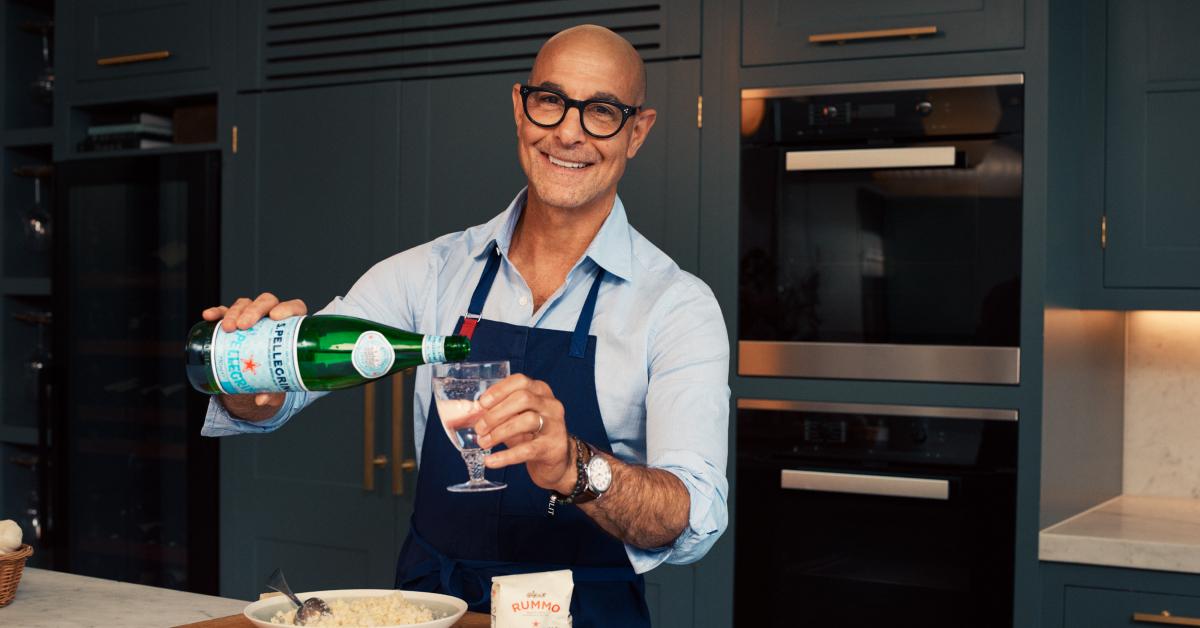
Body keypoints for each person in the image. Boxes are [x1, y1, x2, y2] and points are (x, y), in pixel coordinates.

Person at [200, 24, 729, 627]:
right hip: (434, 608)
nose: (569, 132)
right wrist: (251, 381)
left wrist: (576, 467)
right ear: (520, 109)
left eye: (602, 111)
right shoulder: (428, 272)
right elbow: (281, 392)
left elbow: (694, 515)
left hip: (589, 616)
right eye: (551, 100)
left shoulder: (676, 306)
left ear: (637, 132)